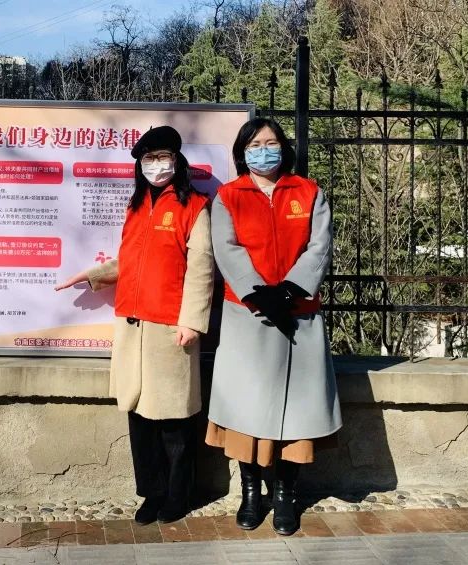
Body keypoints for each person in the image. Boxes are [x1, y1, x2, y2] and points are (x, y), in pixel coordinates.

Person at [55, 126, 214, 525]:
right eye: (149, 159)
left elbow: (201, 269)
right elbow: (131, 261)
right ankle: (152, 493)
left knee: (174, 418)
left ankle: (178, 494)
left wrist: (192, 322)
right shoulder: (137, 204)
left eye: (163, 157)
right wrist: (93, 275)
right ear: (140, 165)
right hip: (132, 325)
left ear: (177, 160)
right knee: (139, 415)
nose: (156, 165)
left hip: (170, 327)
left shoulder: (195, 206)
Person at [205, 117, 342, 536]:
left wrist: (290, 290)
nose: (264, 150)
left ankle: (285, 494)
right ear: (242, 152)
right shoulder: (229, 196)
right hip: (248, 315)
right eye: (255, 144)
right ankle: (250, 491)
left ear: (284, 146)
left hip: (299, 314)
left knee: (296, 412)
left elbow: (320, 245)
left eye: (271, 142)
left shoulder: (308, 192)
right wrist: (259, 294)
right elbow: (226, 248)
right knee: (245, 407)